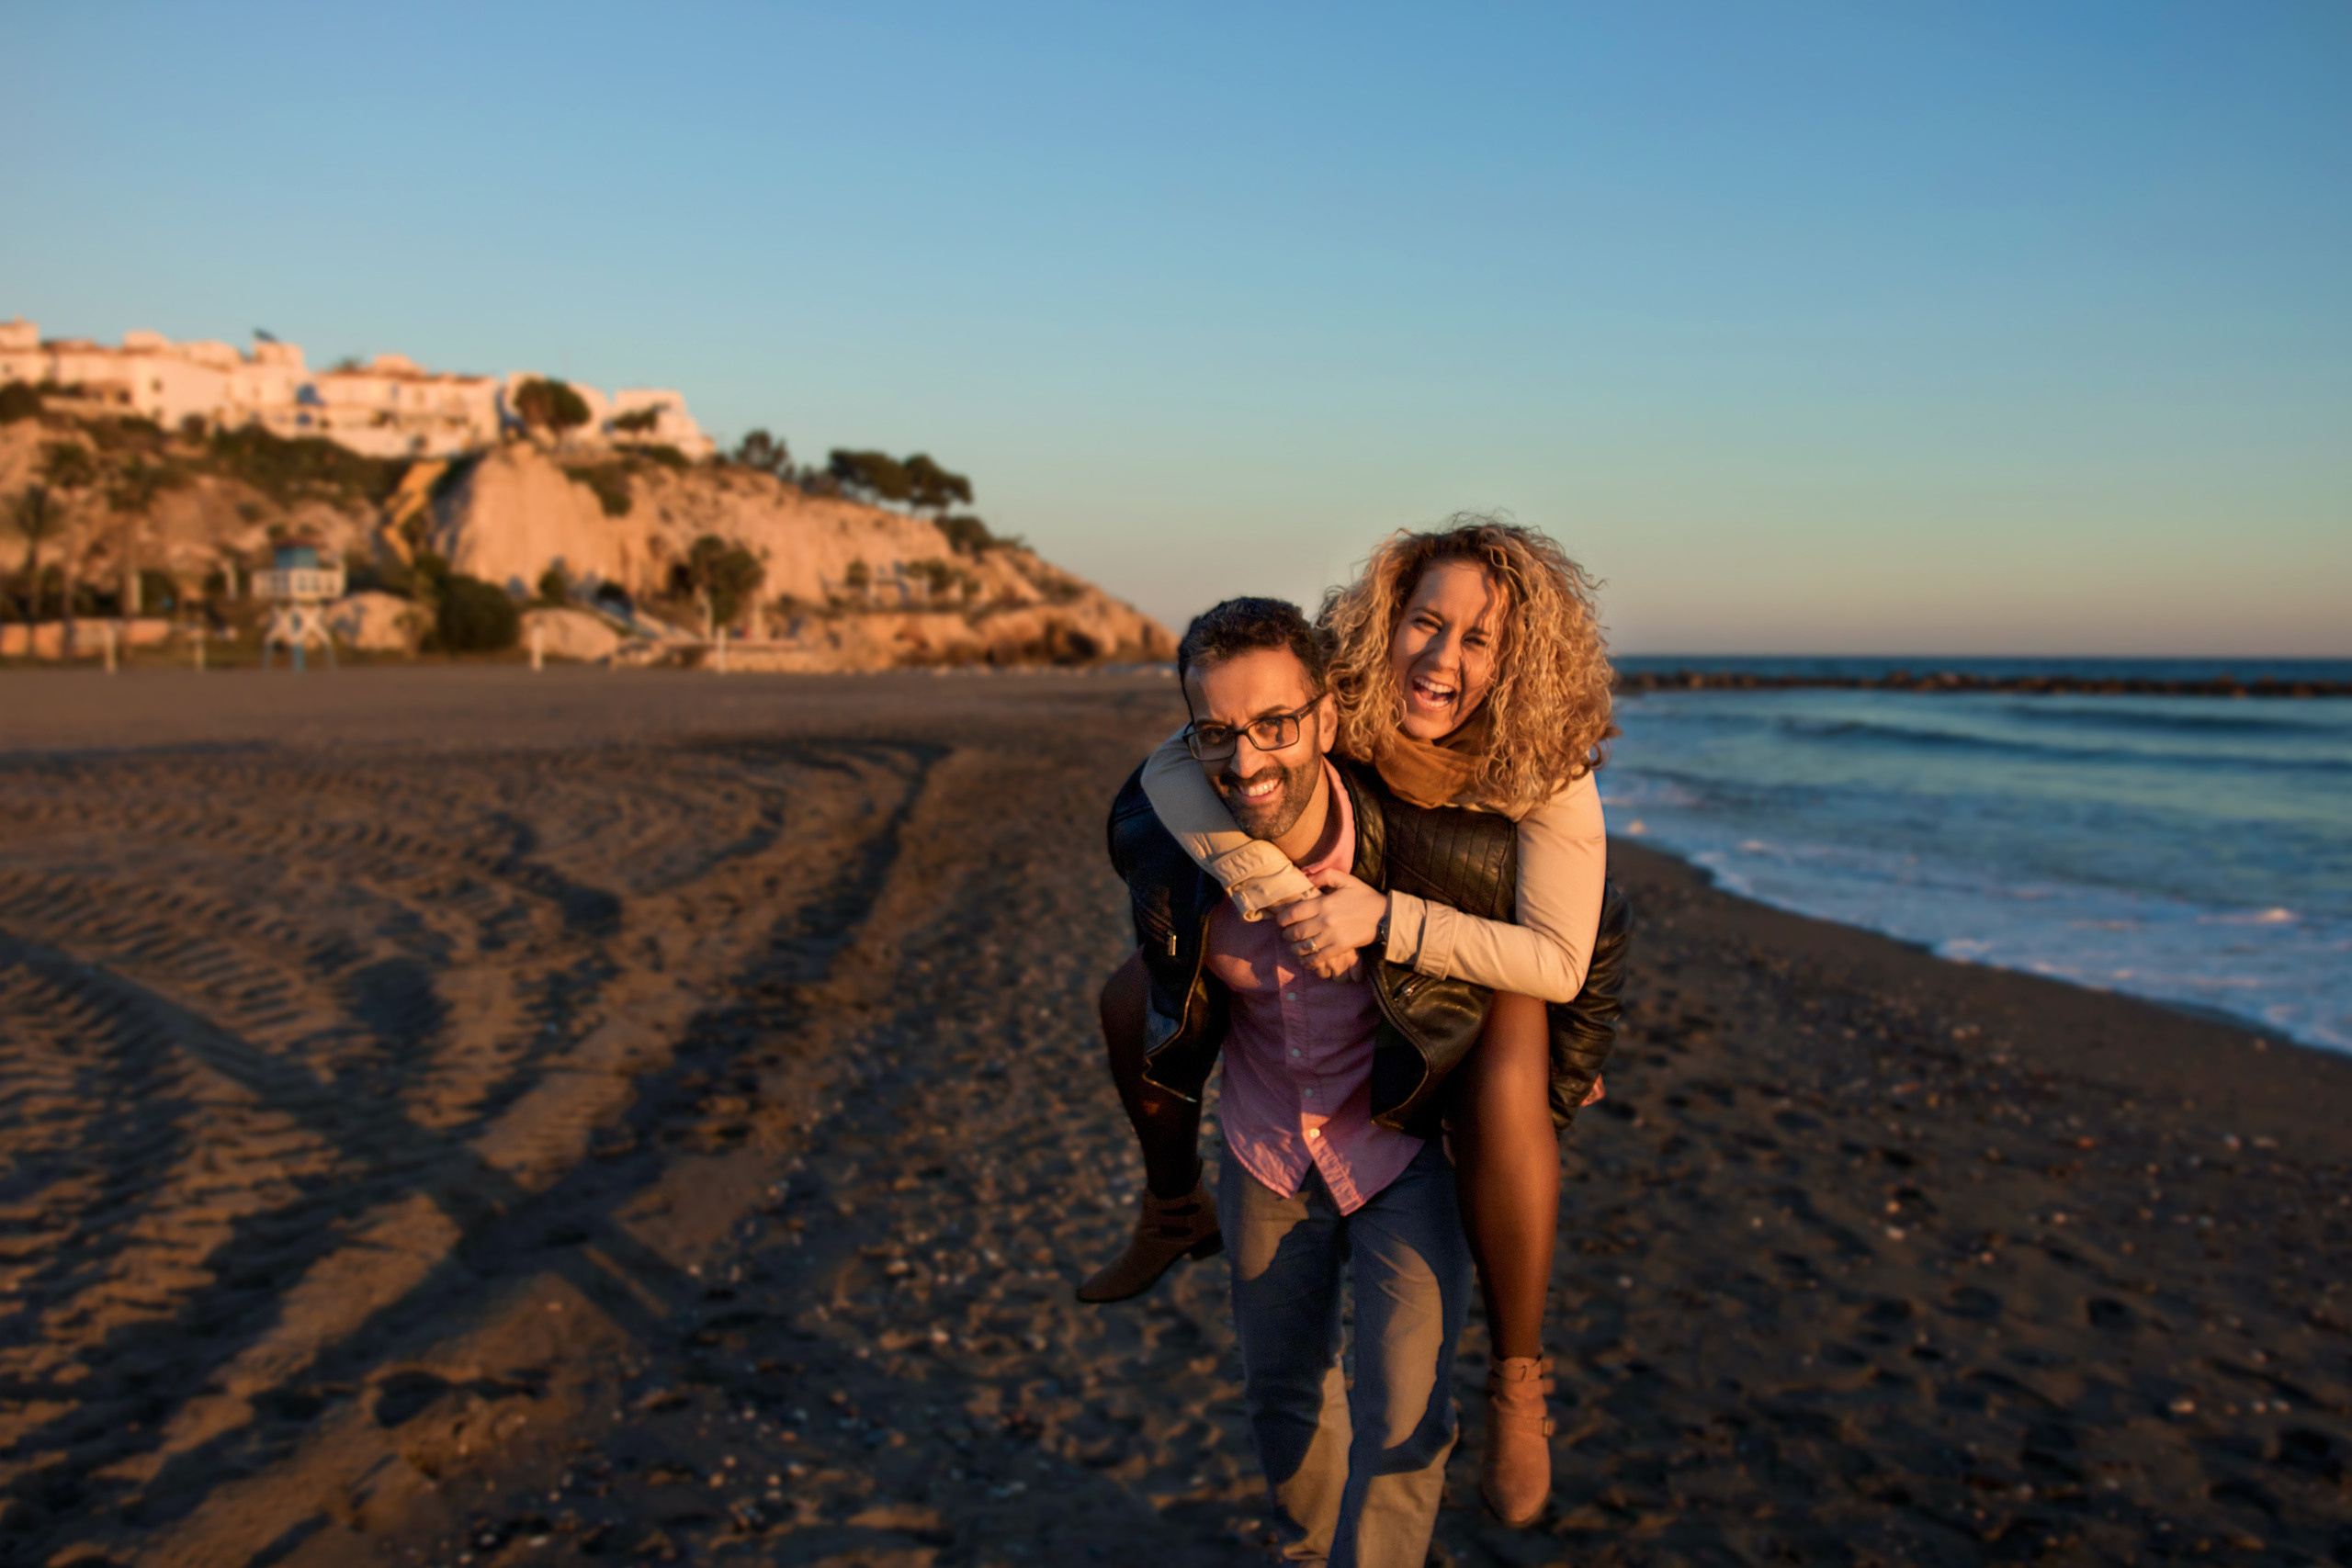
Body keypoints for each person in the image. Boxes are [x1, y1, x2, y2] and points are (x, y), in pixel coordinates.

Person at [1084, 518, 1623, 1529]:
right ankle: (1169, 1206)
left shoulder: (1544, 766)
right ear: (1388, 620)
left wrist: (1388, 924)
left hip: (1429, 1071)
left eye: (1478, 638)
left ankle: (1519, 1376)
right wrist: (1282, 892)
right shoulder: (1347, 704)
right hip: (1280, 1112)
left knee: (1518, 1028)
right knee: (1130, 993)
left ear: (1519, 658)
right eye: (1426, 622)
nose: (1442, 657)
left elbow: (1572, 953)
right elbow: (1171, 769)